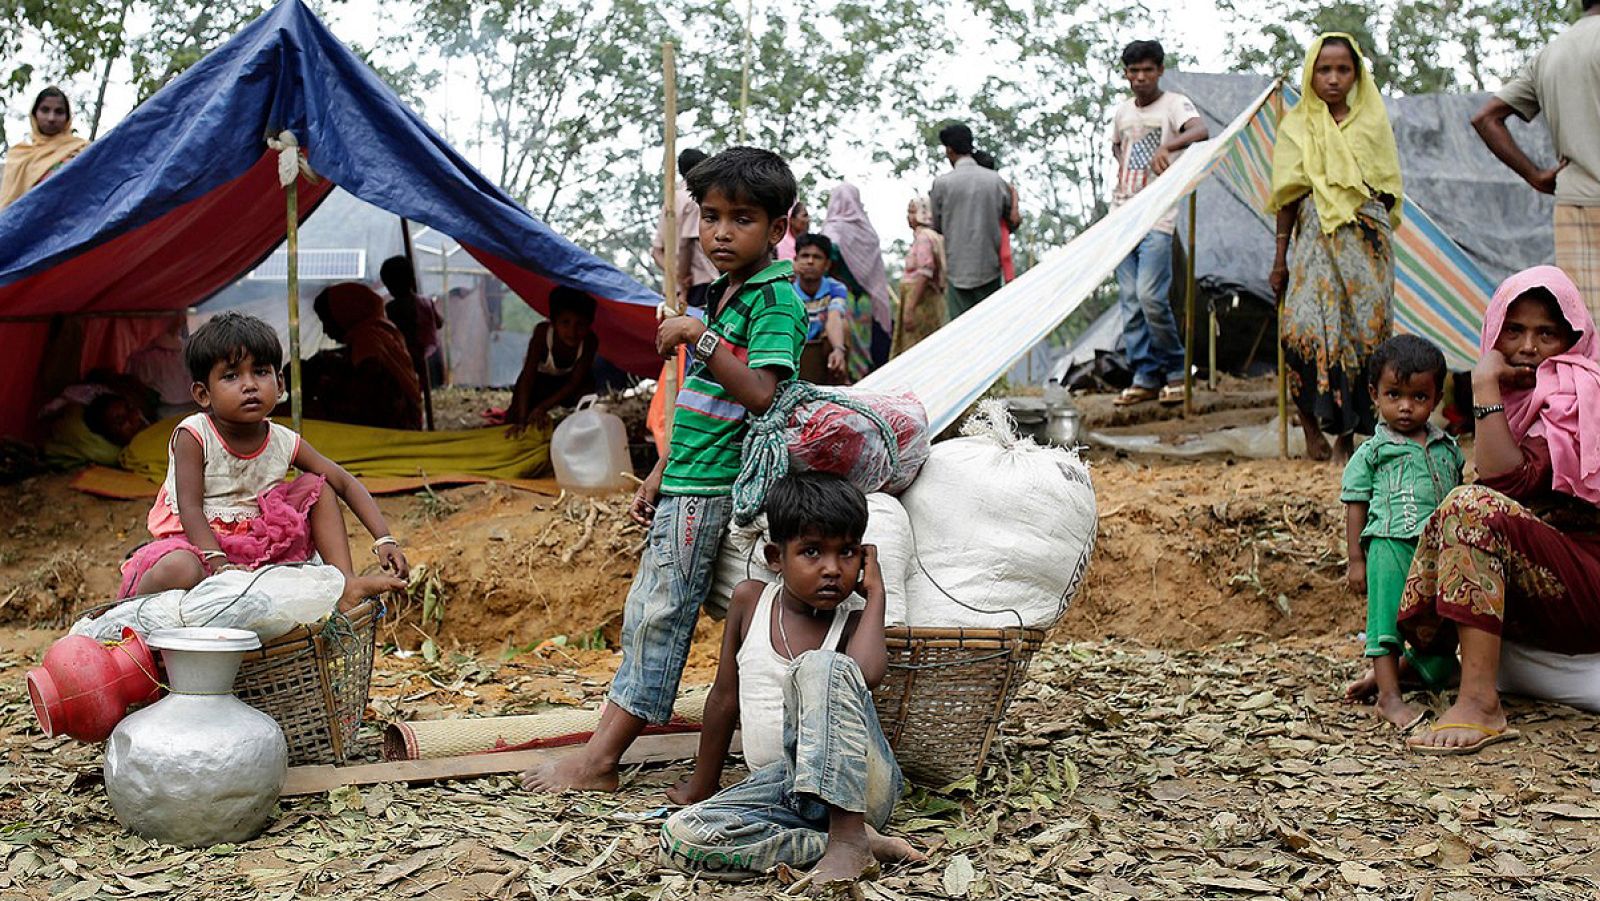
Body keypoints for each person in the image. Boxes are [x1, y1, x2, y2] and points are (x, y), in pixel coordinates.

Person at [523, 147, 806, 792]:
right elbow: (704, 408)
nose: (720, 233)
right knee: (706, 615)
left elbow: (764, 394)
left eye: (742, 219)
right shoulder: (725, 292)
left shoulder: (775, 302)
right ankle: (729, 757)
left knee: (658, 614)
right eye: (710, 217)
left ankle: (600, 762)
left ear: (778, 230)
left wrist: (696, 338)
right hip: (690, 478)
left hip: (714, 490)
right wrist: (659, 473)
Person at [659, 472, 923, 888]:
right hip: (782, 790)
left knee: (819, 666)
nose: (833, 569)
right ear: (775, 558)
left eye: (848, 552)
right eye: (812, 552)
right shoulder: (750, 601)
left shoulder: (853, 621)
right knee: (683, 836)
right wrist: (701, 784)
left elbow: (867, 674)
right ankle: (840, 845)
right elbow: (725, 698)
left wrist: (876, 596)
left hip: (859, 787)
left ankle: (850, 833)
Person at [116, 312, 408, 604]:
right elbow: (189, 507)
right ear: (203, 394)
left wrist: (384, 539)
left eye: (260, 372)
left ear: (280, 384)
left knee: (318, 486)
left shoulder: (283, 440)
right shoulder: (194, 435)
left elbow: (343, 481)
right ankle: (131, 612)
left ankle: (345, 584)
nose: (249, 385)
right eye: (231, 376)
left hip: (258, 546)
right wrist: (220, 567)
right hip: (198, 546)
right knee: (180, 568)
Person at [1268, 34, 1403, 462]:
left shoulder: (1372, 122)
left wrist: (1359, 215)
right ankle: (1312, 432)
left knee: (1364, 336)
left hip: (1365, 247)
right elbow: (1287, 196)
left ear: (1356, 74)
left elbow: (1385, 188)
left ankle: (1349, 437)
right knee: (1302, 331)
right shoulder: (1295, 125)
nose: (1332, 78)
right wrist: (1279, 260)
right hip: (1313, 243)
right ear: (1311, 72)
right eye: (1323, 69)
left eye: (1343, 69)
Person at [1340, 335, 1464, 730]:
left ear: (1436, 399)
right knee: (1385, 623)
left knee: (1443, 628)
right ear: (1374, 394)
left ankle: (1402, 675)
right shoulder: (1373, 452)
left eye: (1419, 397)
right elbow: (1355, 503)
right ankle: (1389, 699)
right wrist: (1357, 560)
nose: (1406, 407)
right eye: (1394, 395)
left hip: (1437, 553)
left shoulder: (1449, 447)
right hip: (1389, 543)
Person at [1471, 1, 1600, 319]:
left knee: (1587, 321)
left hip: (1575, 204)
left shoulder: (1551, 53)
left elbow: (1486, 118)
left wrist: (1536, 176)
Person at [1107, 40, 1209, 408]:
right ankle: (1145, 375)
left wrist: (1169, 148)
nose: (1140, 78)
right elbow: (1118, 148)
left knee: (1151, 295)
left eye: (1147, 70)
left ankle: (1177, 370)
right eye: (1133, 71)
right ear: (1125, 74)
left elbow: (1200, 130)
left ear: (1160, 71)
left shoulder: (1174, 104)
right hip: (1123, 213)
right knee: (1130, 300)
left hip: (1158, 213)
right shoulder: (1122, 112)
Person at [308, 283, 424, 430]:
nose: (325, 330)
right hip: (406, 423)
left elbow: (368, 397)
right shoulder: (380, 332)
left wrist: (325, 390)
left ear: (345, 313)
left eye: (327, 321)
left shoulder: (367, 340)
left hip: (393, 430)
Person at [930, 122, 1013, 321]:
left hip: (957, 270)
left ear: (949, 150)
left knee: (962, 332)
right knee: (991, 327)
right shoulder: (996, 181)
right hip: (990, 268)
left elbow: (938, 226)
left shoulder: (942, 184)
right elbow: (1010, 222)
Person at [820, 182, 894, 377]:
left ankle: (851, 380)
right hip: (867, 299)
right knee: (865, 344)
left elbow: (829, 251)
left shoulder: (832, 228)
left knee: (846, 343)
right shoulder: (867, 231)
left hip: (841, 298)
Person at [505, 286, 599, 434]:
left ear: (588, 326)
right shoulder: (543, 333)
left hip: (568, 387)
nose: (572, 332)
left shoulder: (590, 342)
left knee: (588, 387)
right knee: (514, 419)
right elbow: (528, 376)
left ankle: (578, 428)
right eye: (565, 323)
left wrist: (543, 407)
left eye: (580, 324)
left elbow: (575, 382)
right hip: (539, 384)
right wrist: (522, 419)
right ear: (554, 323)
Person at [653, 148, 720, 310]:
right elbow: (686, 243)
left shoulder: (671, 201)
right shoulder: (696, 201)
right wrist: (683, 279)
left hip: (672, 289)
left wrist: (674, 276)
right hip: (699, 284)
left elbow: (656, 252)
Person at [0, 87, 88, 209]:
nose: (51, 118)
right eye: (45, 110)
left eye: (59, 112)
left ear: (68, 117)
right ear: (34, 114)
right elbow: (9, 203)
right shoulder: (20, 155)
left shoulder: (81, 150)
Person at [791, 234, 850, 384]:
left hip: (821, 352)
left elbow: (835, 316)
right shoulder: (787, 288)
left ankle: (839, 379)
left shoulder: (835, 288)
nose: (810, 261)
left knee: (843, 326)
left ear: (827, 264)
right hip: (793, 352)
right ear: (795, 261)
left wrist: (838, 349)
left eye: (817, 257)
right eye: (805, 256)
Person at [380, 256, 444, 390]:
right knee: (430, 390)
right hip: (434, 355)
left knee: (414, 390)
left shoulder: (392, 308)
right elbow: (439, 323)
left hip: (412, 358)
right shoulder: (426, 302)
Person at [896, 196, 946, 354]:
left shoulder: (924, 238)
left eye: (912, 212)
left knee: (915, 349)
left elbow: (925, 272)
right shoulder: (929, 237)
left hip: (921, 302)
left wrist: (910, 308)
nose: (908, 217)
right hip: (921, 301)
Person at [972, 150, 1022, 283]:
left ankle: (1010, 281)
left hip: (998, 223)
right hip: (991, 226)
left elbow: (1012, 194)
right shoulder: (996, 184)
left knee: (1005, 256)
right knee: (1004, 256)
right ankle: (1009, 280)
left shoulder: (1000, 185)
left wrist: (1014, 209)